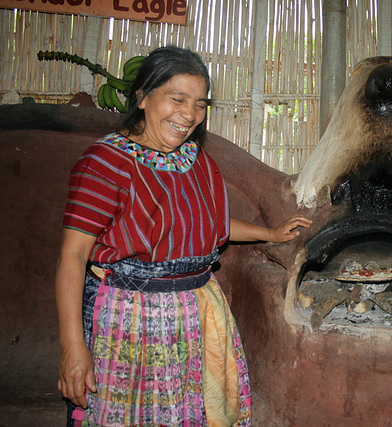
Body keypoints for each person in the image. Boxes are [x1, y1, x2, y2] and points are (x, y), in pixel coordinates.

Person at [55, 46, 311, 426]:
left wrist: (270, 234)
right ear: (142, 97)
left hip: (199, 312)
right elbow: (73, 257)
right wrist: (73, 347)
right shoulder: (105, 163)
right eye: (177, 99)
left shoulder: (196, 160)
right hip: (132, 319)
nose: (189, 115)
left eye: (200, 104)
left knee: (194, 413)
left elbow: (214, 225)